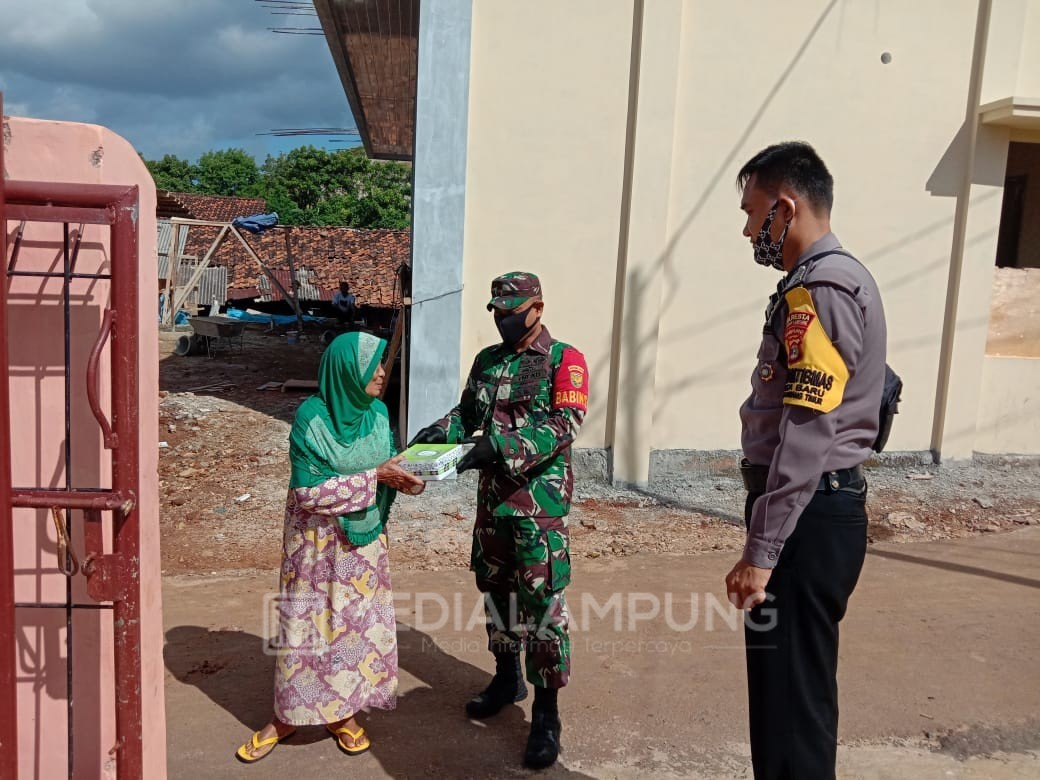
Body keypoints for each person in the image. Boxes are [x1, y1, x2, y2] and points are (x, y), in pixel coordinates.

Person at [724, 142, 887, 779]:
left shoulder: (819, 287)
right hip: (814, 512)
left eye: (752, 212)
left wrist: (762, 552)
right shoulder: (836, 279)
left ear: (785, 208)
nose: (747, 229)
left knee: (791, 708)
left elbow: (810, 428)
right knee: (789, 700)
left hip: (806, 517)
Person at [409, 272, 588, 770]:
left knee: (542, 603)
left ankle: (547, 715)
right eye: (497, 312)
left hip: (539, 508)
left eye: (512, 311)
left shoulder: (563, 360)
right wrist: (437, 434)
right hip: (494, 505)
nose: (504, 320)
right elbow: (467, 414)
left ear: (537, 308)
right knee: (496, 591)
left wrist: (498, 447)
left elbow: (563, 426)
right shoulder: (488, 361)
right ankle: (507, 676)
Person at [236, 332, 425, 763]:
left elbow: (389, 466)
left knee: (353, 633)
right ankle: (287, 715)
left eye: (381, 365)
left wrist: (409, 480)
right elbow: (308, 493)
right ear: (345, 372)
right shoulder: (311, 419)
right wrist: (375, 478)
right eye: (372, 366)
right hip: (315, 548)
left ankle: (342, 713)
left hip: (363, 545)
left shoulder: (377, 414)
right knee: (305, 630)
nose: (381, 374)